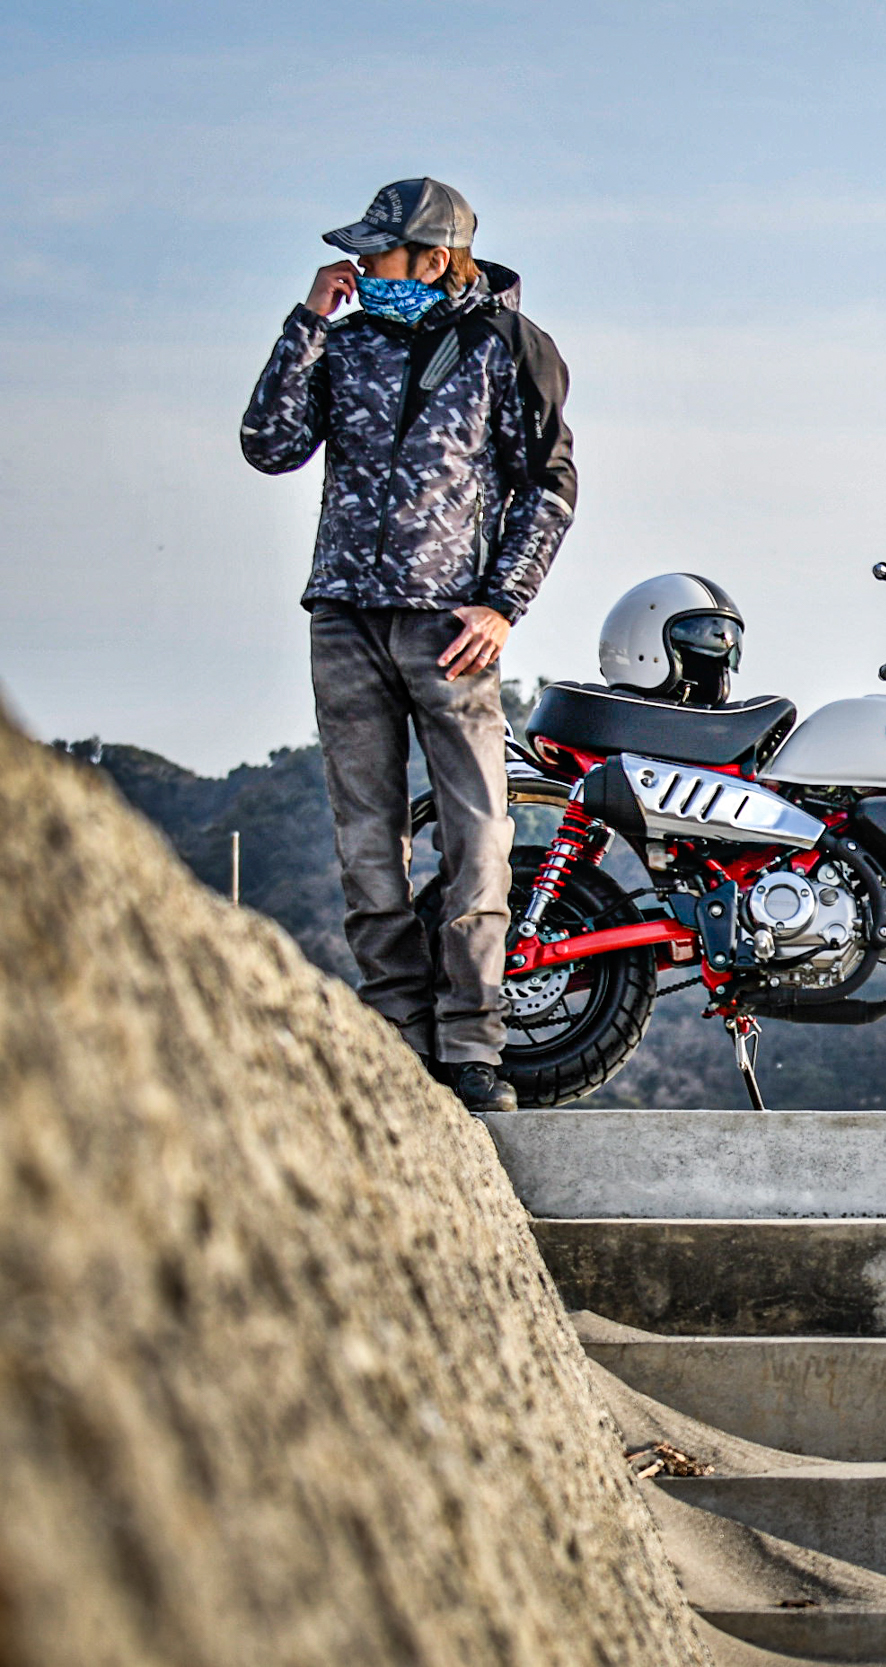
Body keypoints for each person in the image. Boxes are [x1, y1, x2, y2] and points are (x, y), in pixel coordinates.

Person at [240, 178, 577, 1114]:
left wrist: (502, 606)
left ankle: (472, 1044)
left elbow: (549, 486)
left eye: (377, 251)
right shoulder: (344, 344)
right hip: (344, 615)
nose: (360, 266)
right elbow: (268, 443)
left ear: (433, 259)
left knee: (477, 835)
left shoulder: (508, 346)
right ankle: (395, 1026)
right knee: (365, 835)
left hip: (451, 628)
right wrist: (308, 322)